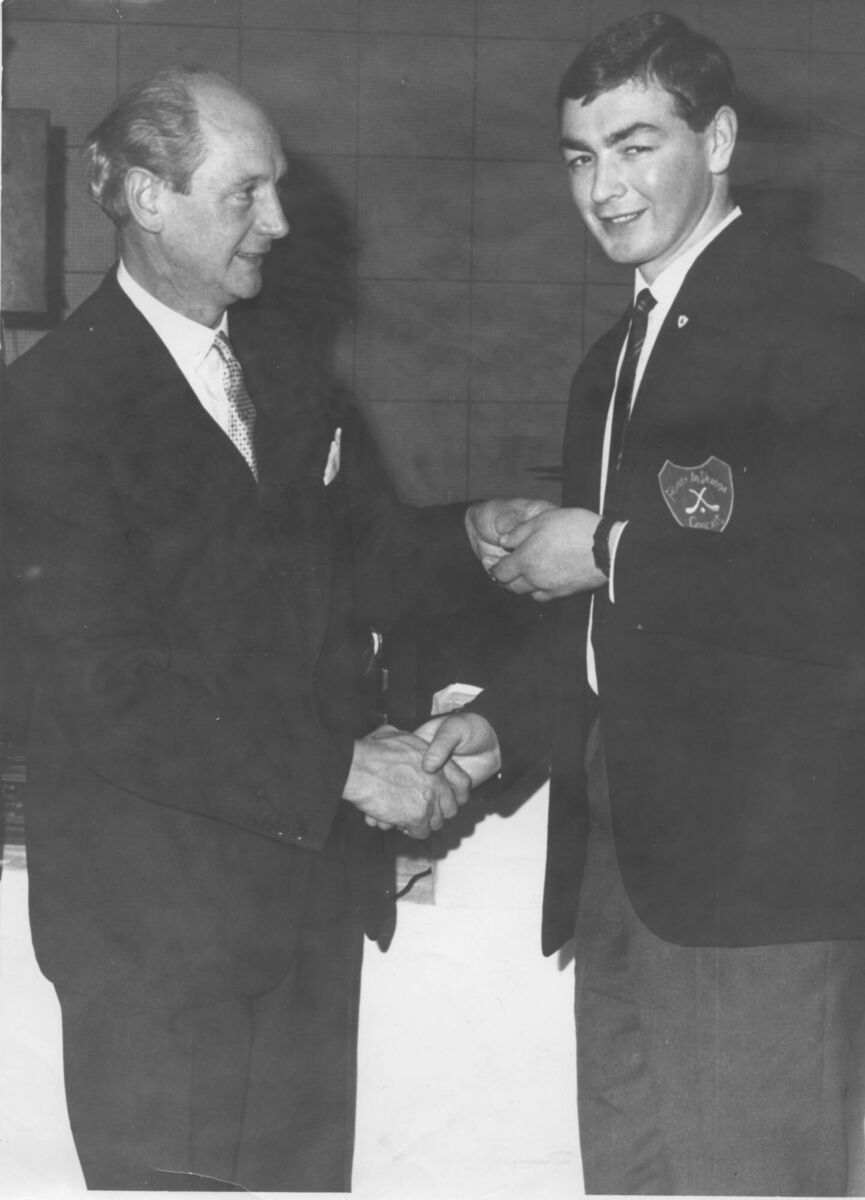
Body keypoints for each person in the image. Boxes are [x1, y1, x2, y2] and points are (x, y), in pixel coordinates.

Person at [0, 65, 537, 1192]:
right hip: (160, 953)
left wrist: (476, 536)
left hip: (301, 924)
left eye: (278, 190)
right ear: (149, 199)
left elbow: (364, 565)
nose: (281, 223)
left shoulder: (288, 379)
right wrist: (340, 769)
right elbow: (108, 692)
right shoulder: (49, 411)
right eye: (247, 194)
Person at [420, 11, 865, 1196]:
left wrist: (609, 547)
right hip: (622, 867)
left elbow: (834, 582)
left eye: (635, 145)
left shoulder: (816, 321)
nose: (602, 188)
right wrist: (496, 724)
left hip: (753, 886)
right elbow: (600, 626)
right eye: (579, 156)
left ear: (717, 139)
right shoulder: (608, 364)